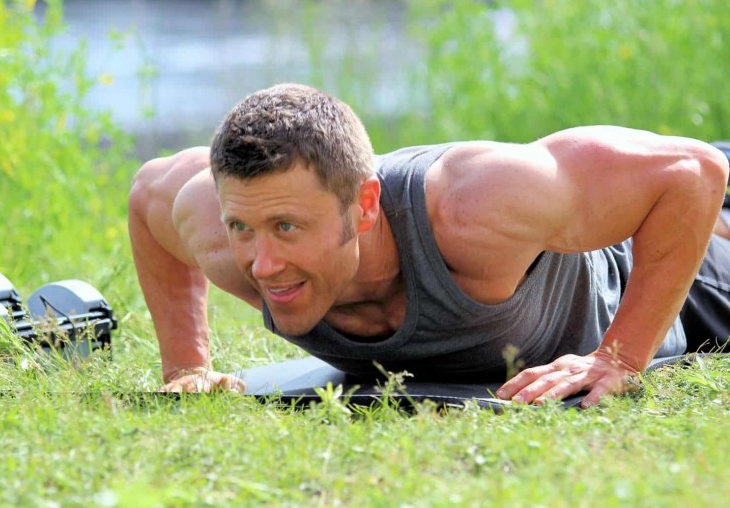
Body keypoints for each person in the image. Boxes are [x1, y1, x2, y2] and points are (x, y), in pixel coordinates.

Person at [128, 83, 730, 407]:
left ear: (365, 206)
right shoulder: (213, 221)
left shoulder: (474, 205)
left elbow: (693, 172)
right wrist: (187, 366)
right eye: (243, 228)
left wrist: (618, 358)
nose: (262, 265)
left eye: (287, 227)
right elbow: (147, 191)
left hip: (669, 272)